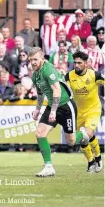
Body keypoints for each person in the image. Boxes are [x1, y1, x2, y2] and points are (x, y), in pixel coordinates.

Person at [30, 47, 89, 177]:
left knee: (71, 141)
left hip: (65, 106)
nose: (33, 62)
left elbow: (56, 90)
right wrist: (37, 110)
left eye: (35, 59)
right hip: (52, 106)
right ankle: (48, 166)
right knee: (40, 133)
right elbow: (40, 94)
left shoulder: (48, 69)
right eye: (31, 60)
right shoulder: (35, 75)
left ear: (42, 59)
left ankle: (83, 135)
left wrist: (54, 111)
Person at [65, 51, 103, 173]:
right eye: (75, 63)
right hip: (78, 112)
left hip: (93, 109)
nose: (76, 65)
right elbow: (64, 91)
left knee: (88, 133)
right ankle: (90, 161)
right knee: (82, 139)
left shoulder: (95, 75)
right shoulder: (69, 76)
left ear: (86, 64)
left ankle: (98, 156)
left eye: (79, 63)